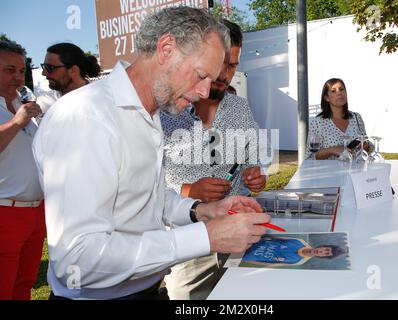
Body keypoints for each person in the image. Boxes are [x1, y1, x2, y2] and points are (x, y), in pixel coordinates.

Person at [32, 7, 270, 300]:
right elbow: (78, 258)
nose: (206, 92)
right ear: (166, 49)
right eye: (200, 75)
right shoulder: (86, 117)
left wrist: (200, 211)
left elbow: (146, 199)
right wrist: (206, 237)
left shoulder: (149, 112)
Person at [161, 20, 270, 300]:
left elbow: (253, 156)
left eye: (233, 65)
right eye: (221, 63)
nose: (225, 74)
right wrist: (189, 192)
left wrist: (255, 174)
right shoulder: (164, 111)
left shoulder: (239, 106)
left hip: (237, 232)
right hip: (186, 243)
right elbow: (142, 182)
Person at [0, 40, 45, 300]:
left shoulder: (20, 102)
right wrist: (18, 122)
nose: (18, 77)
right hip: (5, 211)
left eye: (21, 70)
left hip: (34, 211)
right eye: (9, 70)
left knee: (23, 285)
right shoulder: (19, 113)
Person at [306, 78, 369, 160]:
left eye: (342, 89)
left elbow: (366, 145)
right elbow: (311, 155)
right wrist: (332, 150)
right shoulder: (317, 122)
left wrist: (366, 145)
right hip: (330, 172)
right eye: (333, 91)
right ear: (326, 98)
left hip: (355, 171)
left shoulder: (356, 117)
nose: (339, 93)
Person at [37, 43, 101, 115]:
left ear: (73, 70)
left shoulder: (101, 97)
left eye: (50, 67)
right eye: (44, 66)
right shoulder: (45, 103)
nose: (44, 73)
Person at [242, 236, 347, 266]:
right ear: (323, 246)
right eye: (326, 249)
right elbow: (273, 237)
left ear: (324, 257)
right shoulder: (299, 241)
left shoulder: (298, 261)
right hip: (248, 242)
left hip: (245, 256)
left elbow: (270, 263)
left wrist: (247, 260)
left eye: (326, 254)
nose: (322, 252)